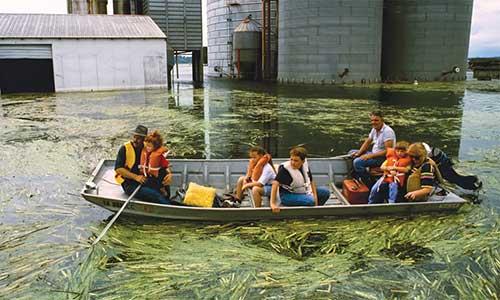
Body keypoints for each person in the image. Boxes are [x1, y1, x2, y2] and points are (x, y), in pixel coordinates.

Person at [114, 125, 172, 205]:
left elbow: (161, 160)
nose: (135, 140)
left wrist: (169, 173)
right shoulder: (124, 148)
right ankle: (174, 207)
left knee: (166, 193)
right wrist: (136, 177)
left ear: (144, 139)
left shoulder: (149, 147)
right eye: (134, 137)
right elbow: (118, 169)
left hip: (146, 179)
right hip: (130, 183)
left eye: (138, 138)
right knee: (155, 195)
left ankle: (166, 200)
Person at [270, 146, 330, 213]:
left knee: (325, 192)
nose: (292, 162)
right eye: (291, 159)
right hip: (287, 195)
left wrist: (315, 199)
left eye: (296, 161)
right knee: (310, 200)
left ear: (303, 161)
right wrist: (272, 204)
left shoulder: (305, 165)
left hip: (303, 191)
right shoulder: (285, 169)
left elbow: (311, 181)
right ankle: (309, 211)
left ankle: (315, 212)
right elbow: (275, 184)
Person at [350, 111, 396, 184]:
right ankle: (356, 177)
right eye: (372, 120)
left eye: (376, 120)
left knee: (357, 162)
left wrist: (369, 156)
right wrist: (359, 153)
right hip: (374, 154)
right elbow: (368, 142)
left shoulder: (388, 132)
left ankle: (367, 182)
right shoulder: (374, 129)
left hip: (383, 158)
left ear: (382, 120)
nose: (373, 122)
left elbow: (388, 151)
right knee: (352, 152)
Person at [139, 130, 173, 199]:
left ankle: (162, 189)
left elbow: (165, 166)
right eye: (146, 146)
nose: (147, 148)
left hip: (159, 175)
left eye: (149, 146)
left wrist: (169, 173)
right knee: (149, 182)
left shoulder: (158, 156)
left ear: (155, 147)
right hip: (150, 175)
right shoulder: (145, 152)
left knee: (157, 181)